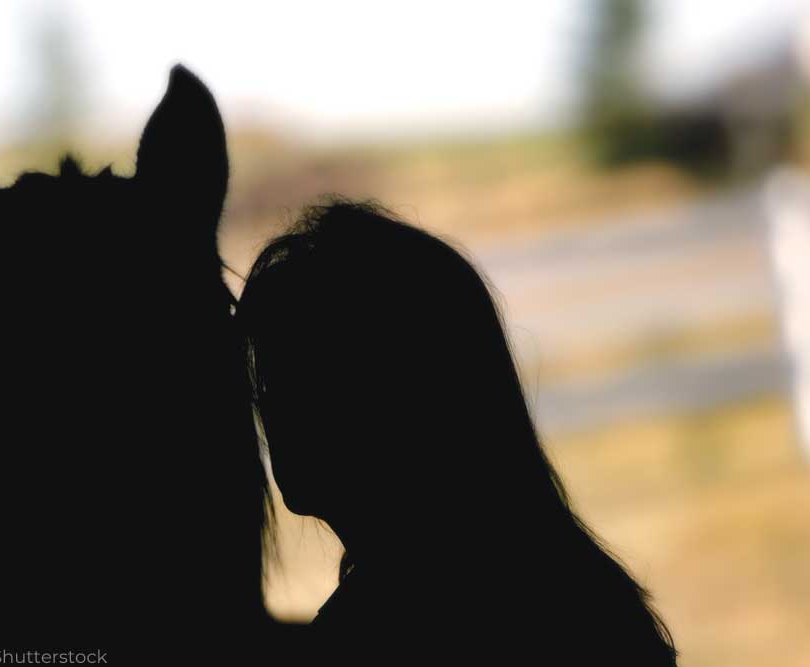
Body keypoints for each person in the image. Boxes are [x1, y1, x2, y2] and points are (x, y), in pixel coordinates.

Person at [238, 200, 677, 662]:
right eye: (267, 379)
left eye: (298, 376)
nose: (268, 406)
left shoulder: (377, 630)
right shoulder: (579, 597)